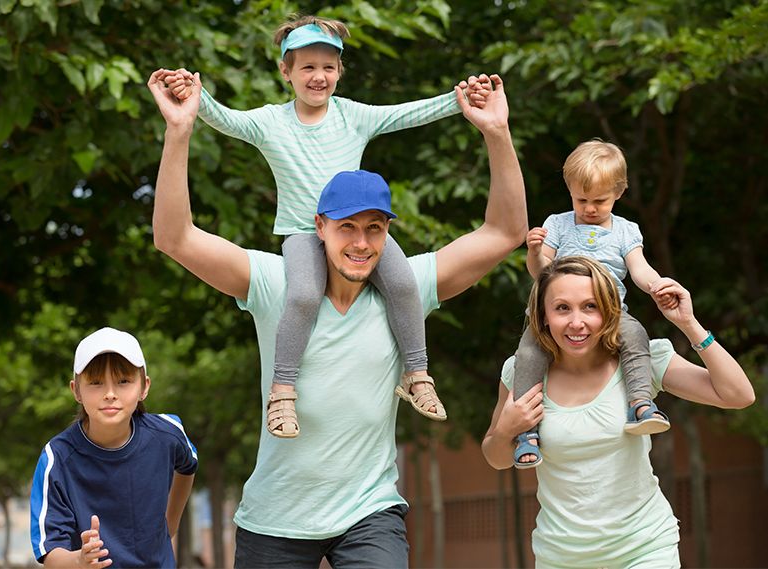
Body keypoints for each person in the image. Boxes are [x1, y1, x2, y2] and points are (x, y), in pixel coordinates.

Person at [147, 64, 526, 567]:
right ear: (320, 227)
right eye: (347, 227)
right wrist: (179, 132)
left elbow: (505, 232)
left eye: (374, 228)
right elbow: (175, 238)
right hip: (275, 518)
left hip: (370, 513)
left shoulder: (407, 289)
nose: (361, 242)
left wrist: (497, 132)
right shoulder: (277, 282)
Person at [158, 14, 492, 436]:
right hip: (303, 234)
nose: (319, 76)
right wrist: (195, 95)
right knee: (301, 295)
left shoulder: (353, 116)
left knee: (404, 284)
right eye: (308, 67)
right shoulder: (270, 122)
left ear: (339, 71)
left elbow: (407, 114)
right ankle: (282, 391)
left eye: (329, 67)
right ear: (286, 71)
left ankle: (417, 374)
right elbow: (227, 119)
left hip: (355, 229)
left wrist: (460, 99)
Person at [482, 256, 754, 568]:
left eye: (590, 306)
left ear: (609, 310)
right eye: (562, 308)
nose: (576, 322)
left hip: (645, 549)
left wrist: (689, 324)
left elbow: (738, 395)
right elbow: (496, 458)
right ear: (543, 316)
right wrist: (506, 430)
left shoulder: (640, 363)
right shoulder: (521, 374)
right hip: (561, 557)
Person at [513, 139, 677, 469]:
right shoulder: (557, 224)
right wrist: (535, 252)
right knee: (528, 355)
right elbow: (541, 273)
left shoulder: (625, 231)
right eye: (581, 200)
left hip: (607, 313)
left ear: (619, 192)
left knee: (636, 336)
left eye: (599, 201)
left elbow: (639, 269)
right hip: (556, 312)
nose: (589, 208)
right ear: (569, 191)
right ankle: (526, 432)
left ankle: (640, 403)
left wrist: (656, 285)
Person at [29, 327, 198, 568]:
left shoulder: (167, 433)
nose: (110, 393)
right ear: (76, 390)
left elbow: (188, 465)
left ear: (144, 387)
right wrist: (80, 559)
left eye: (123, 381)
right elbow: (51, 554)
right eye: (96, 382)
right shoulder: (56, 458)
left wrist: (170, 524)